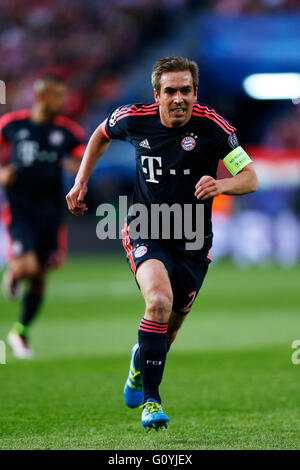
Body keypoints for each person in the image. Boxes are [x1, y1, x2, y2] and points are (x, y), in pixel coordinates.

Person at [66, 56, 258, 431]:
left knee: (167, 331)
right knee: (157, 302)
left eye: (186, 90)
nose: (179, 98)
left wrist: (222, 185)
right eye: (170, 91)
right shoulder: (133, 118)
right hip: (145, 226)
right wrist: (81, 180)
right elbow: (100, 135)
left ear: (195, 92)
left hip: (192, 239)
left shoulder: (214, 128)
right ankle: (152, 402)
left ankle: (141, 362)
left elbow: (249, 178)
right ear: (157, 94)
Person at [0, 74, 86, 358]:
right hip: (20, 207)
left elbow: (84, 159)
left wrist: (77, 168)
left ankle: (20, 332)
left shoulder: (68, 131)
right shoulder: (13, 124)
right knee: (28, 268)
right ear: (42, 97)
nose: (63, 101)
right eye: (58, 96)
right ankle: (14, 272)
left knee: (41, 275)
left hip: (51, 209)